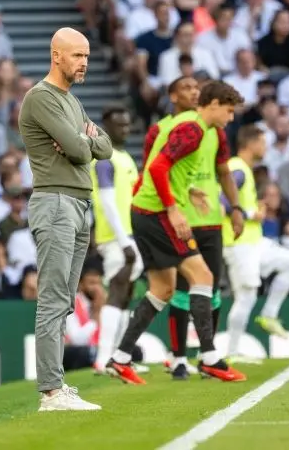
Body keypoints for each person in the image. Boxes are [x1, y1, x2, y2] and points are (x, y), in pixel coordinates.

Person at [108, 80, 246, 384]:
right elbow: (157, 167)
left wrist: (191, 190)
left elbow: (171, 170)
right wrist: (172, 207)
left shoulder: (202, 130)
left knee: (163, 289)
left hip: (147, 211)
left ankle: (120, 358)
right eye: (229, 110)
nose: (231, 118)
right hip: (156, 214)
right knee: (204, 277)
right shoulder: (193, 130)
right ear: (213, 105)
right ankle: (209, 357)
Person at [19, 27, 113, 412]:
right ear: (56, 55)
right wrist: (82, 140)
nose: (84, 62)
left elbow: (103, 147)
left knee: (65, 302)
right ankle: (51, 392)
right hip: (55, 202)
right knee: (54, 298)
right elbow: (77, 149)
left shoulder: (71, 102)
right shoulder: (41, 98)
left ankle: (56, 386)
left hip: (77, 204)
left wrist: (83, 140)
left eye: (87, 55)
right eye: (77, 55)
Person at [145, 76, 244, 380]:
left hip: (211, 220)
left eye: (195, 87)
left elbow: (224, 172)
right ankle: (177, 358)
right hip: (177, 220)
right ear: (173, 96)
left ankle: (206, 355)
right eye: (186, 87)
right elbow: (152, 170)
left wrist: (236, 208)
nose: (193, 91)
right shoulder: (161, 129)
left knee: (211, 289)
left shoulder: (216, 131)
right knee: (180, 291)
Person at [222, 125, 289, 363]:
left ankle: (269, 315)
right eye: (263, 142)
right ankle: (232, 352)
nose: (265, 148)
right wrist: (250, 213)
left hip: (254, 241)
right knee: (245, 296)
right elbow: (222, 203)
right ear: (251, 143)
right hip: (239, 243)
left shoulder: (244, 169)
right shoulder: (237, 169)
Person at [91, 105, 145, 375]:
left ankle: (119, 358)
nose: (124, 129)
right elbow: (107, 202)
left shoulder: (124, 157)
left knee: (125, 297)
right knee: (116, 293)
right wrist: (124, 241)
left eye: (126, 125)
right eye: (118, 125)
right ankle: (103, 359)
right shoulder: (104, 157)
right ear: (105, 128)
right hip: (115, 237)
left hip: (129, 235)